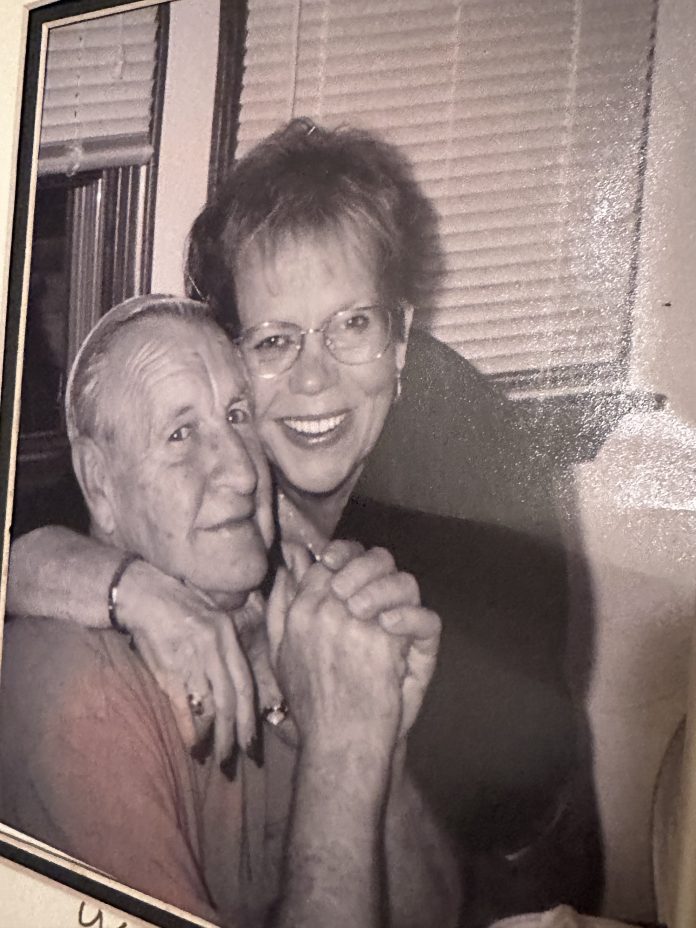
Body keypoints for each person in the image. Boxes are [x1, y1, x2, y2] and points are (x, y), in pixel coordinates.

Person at [7, 121, 603, 922]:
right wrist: (130, 589)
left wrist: (352, 726)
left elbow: (465, 831)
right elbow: (64, 509)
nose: (314, 379)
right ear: (232, 350)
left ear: (399, 338)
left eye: (353, 325)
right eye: (276, 340)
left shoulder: (476, 488)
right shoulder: (227, 441)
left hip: (506, 857)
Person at [0, 295, 459, 928]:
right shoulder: (71, 687)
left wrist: (381, 739)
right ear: (100, 484)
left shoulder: (292, 626)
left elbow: (436, 917)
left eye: (238, 416)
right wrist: (342, 751)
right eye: (181, 434)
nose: (242, 473)